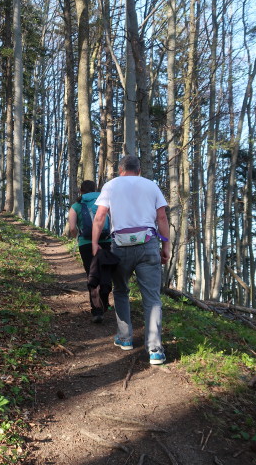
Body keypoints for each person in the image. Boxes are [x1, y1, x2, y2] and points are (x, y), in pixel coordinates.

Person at [91, 155, 171, 365]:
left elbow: (100, 217)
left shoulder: (110, 186)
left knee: (121, 291)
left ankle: (125, 338)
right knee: (152, 298)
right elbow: (161, 218)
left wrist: (94, 244)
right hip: (148, 245)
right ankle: (155, 350)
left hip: (121, 246)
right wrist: (166, 245)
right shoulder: (151, 186)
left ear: (120, 170)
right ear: (139, 169)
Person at [68, 180, 113, 323]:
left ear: (81, 191)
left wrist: (78, 237)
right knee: (105, 271)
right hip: (106, 241)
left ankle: (96, 310)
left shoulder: (76, 206)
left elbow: (72, 228)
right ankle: (105, 298)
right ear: (95, 189)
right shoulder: (105, 202)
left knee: (92, 273)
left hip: (86, 244)